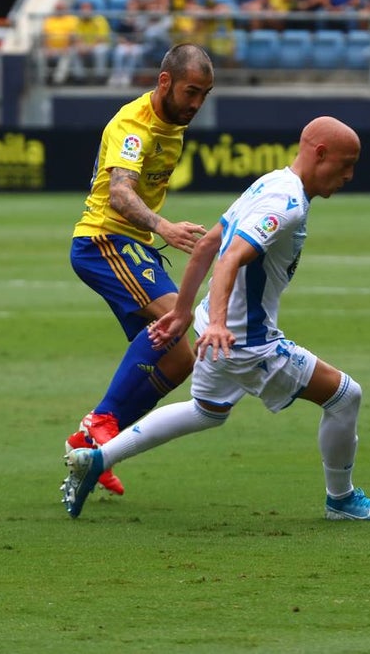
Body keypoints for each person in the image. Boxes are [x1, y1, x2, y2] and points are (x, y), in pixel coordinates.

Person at [63, 116, 370, 522]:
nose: (349, 176)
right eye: (346, 165)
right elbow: (228, 258)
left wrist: (184, 311)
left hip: (216, 329)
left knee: (205, 410)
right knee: (346, 396)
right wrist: (220, 323)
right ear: (320, 153)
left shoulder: (271, 182)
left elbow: (208, 243)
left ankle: (97, 459)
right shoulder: (286, 205)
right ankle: (342, 500)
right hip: (246, 341)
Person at [64, 43, 216, 498]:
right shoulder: (134, 125)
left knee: (179, 359)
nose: (197, 103)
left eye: (205, 94)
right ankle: (101, 420)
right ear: (165, 82)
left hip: (135, 247)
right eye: (191, 92)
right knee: (176, 316)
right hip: (103, 241)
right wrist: (164, 226)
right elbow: (119, 193)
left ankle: (94, 446)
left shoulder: (174, 124)